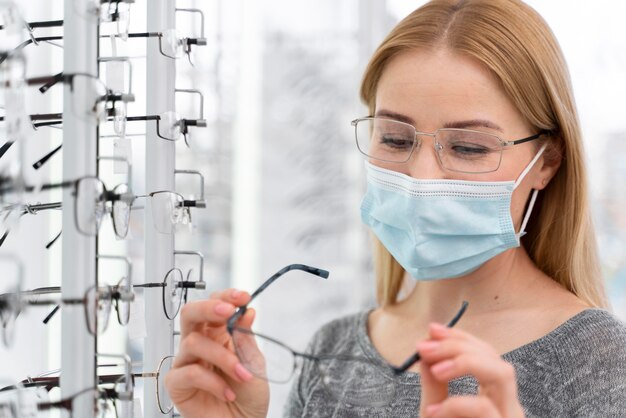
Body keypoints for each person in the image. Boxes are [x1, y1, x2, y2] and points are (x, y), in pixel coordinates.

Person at [164, 0, 626, 416]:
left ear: (547, 162)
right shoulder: (334, 348)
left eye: (467, 147)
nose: (420, 180)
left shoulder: (600, 362)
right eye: (395, 139)